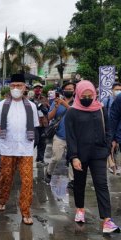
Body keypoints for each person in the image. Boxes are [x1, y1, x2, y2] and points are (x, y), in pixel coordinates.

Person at [65, 80, 120, 233]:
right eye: (84, 95)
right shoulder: (72, 111)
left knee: (101, 184)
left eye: (90, 95)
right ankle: (80, 209)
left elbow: (108, 129)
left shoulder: (100, 109)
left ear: (94, 94)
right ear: (78, 94)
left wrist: (107, 145)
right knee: (79, 183)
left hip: (98, 154)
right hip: (80, 154)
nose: (87, 98)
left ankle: (107, 220)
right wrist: (74, 156)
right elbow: (70, 137)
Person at [0, 73, 39, 225]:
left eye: (19, 85)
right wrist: (4, 135)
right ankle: (2, 199)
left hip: (25, 149)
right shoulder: (1, 105)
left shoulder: (31, 106)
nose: (16, 88)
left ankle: (25, 212)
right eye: (13, 85)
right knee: (6, 178)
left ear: (24, 87)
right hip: (7, 148)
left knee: (27, 181)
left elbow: (35, 126)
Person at [45, 82, 75, 187]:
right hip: (59, 136)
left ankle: (72, 180)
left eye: (71, 89)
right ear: (63, 90)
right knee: (56, 158)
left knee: (73, 158)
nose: (69, 90)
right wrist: (57, 107)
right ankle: (49, 172)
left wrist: (64, 104)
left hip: (74, 137)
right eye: (67, 89)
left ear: (74, 90)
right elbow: (49, 117)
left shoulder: (77, 102)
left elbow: (75, 112)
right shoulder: (56, 102)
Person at [30, 82, 49, 166]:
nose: (38, 89)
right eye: (36, 88)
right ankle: (26, 157)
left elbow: (48, 110)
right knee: (35, 141)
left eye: (40, 88)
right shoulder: (30, 99)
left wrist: (43, 107)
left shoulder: (44, 98)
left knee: (43, 142)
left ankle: (40, 159)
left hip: (44, 123)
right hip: (34, 123)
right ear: (33, 89)